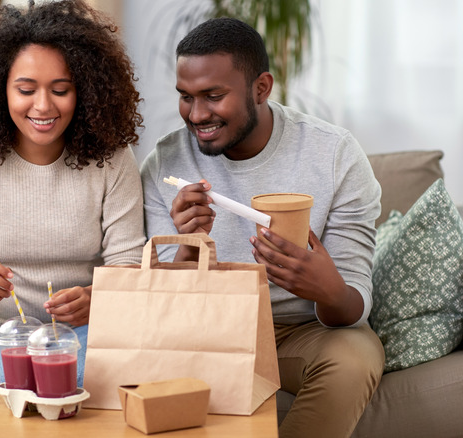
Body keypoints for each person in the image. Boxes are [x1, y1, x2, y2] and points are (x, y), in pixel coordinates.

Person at [140, 18, 384, 437]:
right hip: (206, 333)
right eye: (186, 97)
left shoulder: (334, 155)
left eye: (213, 96)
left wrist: (325, 289)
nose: (197, 115)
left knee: (356, 357)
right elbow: (161, 308)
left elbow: (353, 307)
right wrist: (187, 246)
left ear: (261, 88)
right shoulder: (165, 165)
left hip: (301, 333)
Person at [0, 0, 146, 398]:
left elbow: (128, 265)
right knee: (22, 384)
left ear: (86, 90)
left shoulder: (112, 158)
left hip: (81, 332)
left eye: (60, 90)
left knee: (75, 380)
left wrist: (97, 298)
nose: (43, 106)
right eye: (26, 89)